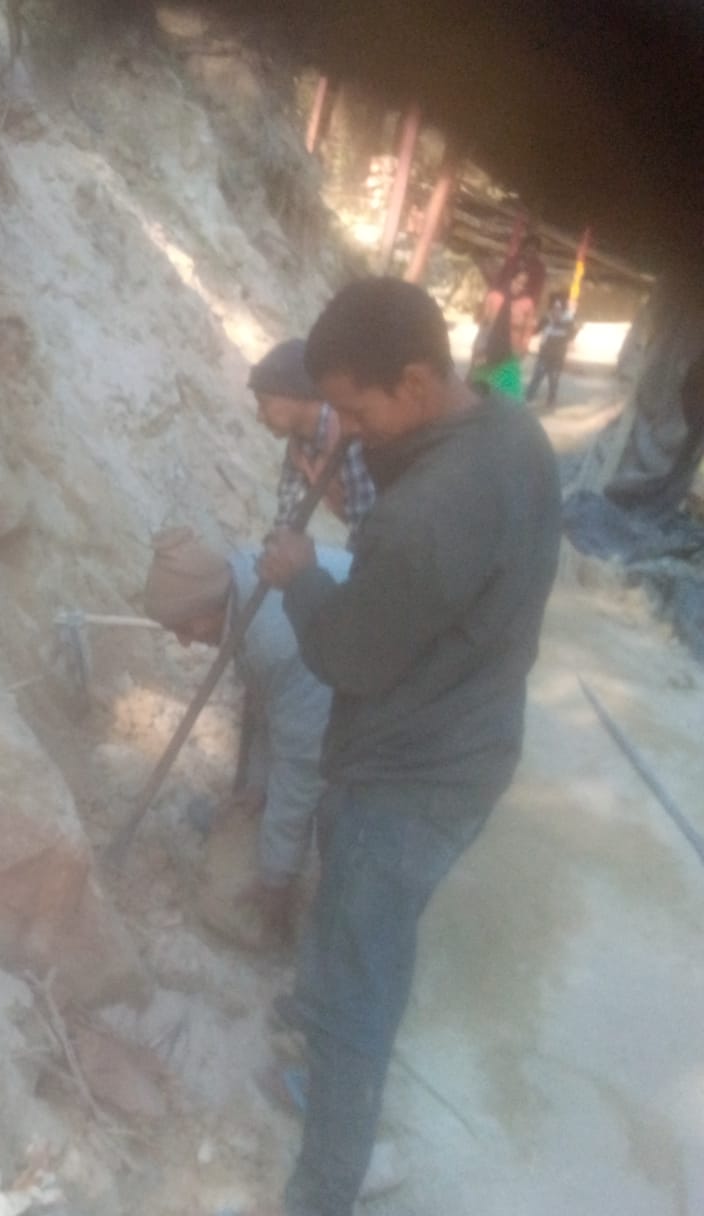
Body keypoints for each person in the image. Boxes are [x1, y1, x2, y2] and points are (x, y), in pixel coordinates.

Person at [256, 278, 561, 1216]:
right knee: (356, 926)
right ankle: (312, 1029)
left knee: (363, 979)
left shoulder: (428, 516)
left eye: (354, 411)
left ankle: (323, 1188)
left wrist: (300, 576)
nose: (342, 431)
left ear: (417, 383)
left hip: (411, 777)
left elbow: (348, 656)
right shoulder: (511, 433)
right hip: (471, 739)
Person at [141, 527, 351, 938]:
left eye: (184, 628)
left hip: (415, 707)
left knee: (341, 817)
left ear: (205, 614)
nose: (184, 643)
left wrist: (276, 878)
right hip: (342, 670)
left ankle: (333, 913)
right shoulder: (239, 585)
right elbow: (267, 704)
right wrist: (257, 784)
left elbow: (302, 763)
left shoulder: (275, 635)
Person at [248, 339, 376, 540]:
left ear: (297, 393)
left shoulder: (350, 437)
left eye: (265, 403)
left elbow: (369, 531)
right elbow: (287, 517)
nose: (259, 416)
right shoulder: (300, 447)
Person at [469, 267, 536, 402]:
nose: (520, 287)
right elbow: (484, 323)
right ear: (510, 279)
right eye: (517, 282)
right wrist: (479, 347)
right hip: (488, 347)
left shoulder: (527, 303)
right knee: (479, 386)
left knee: (504, 389)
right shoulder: (494, 297)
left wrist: (523, 347)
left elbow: (528, 328)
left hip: (511, 349)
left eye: (523, 284)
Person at [525, 290, 579, 408]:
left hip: (558, 356)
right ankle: (529, 396)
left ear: (563, 309)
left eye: (559, 309)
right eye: (554, 308)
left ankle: (551, 399)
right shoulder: (546, 319)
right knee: (537, 376)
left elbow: (572, 335)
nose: (556, 312)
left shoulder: (568, 321)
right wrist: (530, 326)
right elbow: (535, 331)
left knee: (554, 379)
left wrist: (570, 324)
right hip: (544, 353)